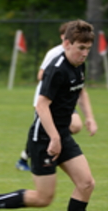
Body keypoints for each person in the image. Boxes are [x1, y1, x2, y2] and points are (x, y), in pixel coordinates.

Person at [0, 20, 99, 211]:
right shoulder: (56, 68)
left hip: (61, 135)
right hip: (43, 139)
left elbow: (79, 93)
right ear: (67, 44)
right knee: (43, 198)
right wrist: (54, 138)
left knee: (87, 183)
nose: (84, 53)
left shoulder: (79, 65)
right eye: (81, 48)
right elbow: (41, 105)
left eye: (88, 49)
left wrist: (87, 118)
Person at [16, 21, 83, 171]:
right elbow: (41, 74)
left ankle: (53, 145)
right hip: (46, 99)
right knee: (40, 132)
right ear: (63, 37)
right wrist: (58, 77)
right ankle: (26, 157)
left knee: (76, 125)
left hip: (64, 101)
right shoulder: (55, 53)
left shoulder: (78, 57)